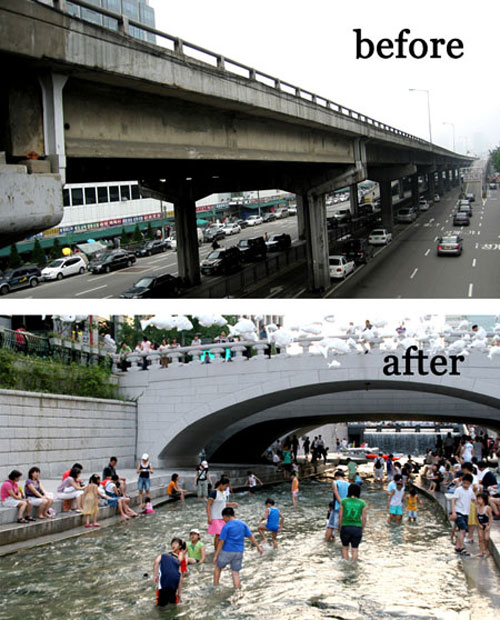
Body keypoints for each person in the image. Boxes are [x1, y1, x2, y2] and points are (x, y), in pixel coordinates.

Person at [213, 507, 263, 589]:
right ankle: (237, 590)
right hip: (239, 552)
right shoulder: (243, 524)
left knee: (218, 568)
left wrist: (216, 555)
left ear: (226, 516)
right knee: (235, 572)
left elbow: (221, 542)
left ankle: (215, 587)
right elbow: (251, 536)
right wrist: (258, 547)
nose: (223, 520)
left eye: (223, 518)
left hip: (227, 551)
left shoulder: (226, 526)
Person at [338, 483, 367, 562]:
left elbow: (340, 516)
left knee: (345, 547)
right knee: (355, 549)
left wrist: (340, 527)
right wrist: (362, 528)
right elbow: (364, 518)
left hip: (345, 527)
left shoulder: (343, 501)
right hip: (357, 528)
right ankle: (354, 565)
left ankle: (346, 563)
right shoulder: (362, 503)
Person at [207, 477, 238, 549]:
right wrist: (209, 517)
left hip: (223, 517)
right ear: (221, 484)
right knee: (218, 535)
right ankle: (216, 550)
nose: (226, 488)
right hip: (215, 517)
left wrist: (231, 504)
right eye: (225, 486)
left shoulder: (223, 493)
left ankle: (221, 549)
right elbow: (208, 505)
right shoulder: (214, 493)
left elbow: (223, 504)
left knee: (224, 534)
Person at [450, 473, 475, 556]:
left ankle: (457, 547)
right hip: (459, 512)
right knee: (463, 529)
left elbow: (474, 499)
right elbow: (453, 500)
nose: (466, 485)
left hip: (466, 513)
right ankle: (462, 548)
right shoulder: (459, 490)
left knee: (462, 530)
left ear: (470, 483)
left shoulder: (470, 491)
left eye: (468, 483)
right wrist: (454, 512)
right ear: (462, 482)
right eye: (464, 483)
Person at [325, 470, 350, 542]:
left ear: (336, 477)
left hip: (337, 507)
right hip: (346, 508)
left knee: (331, 526)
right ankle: (345, 544)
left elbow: (336, 492)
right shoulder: (348, 484)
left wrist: (341, 503)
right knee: (343, 526)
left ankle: (325, 542)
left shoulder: (335, 482)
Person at [475, 492, 492, 558]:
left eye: (480, 499)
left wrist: (489, 526)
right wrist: (478, 524)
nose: (478, 501)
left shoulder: (487, 508)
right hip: (480, 525)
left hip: (486, 524)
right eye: (477, 499)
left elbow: (490, 517)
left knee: (486, 538)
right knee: (480, 538)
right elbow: (476, 517)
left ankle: (485, 550)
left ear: (484, 500)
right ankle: (481, 551)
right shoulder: (477, 508)